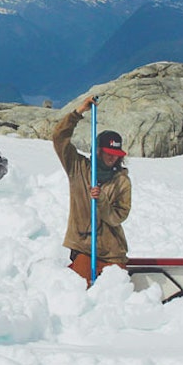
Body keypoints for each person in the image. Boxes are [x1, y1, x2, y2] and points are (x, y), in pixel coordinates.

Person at [51, 94, 132, 282]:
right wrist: (79, 112)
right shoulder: (78, 168)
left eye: (116, 154)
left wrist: (101, 200)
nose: (112, 158)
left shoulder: (122, 181)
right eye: (108, 153)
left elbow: (118, 217)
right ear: (98, 150)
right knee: (78, 286)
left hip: (112, 251)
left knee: (114, 289)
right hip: (83, 246)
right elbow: (59, 138)